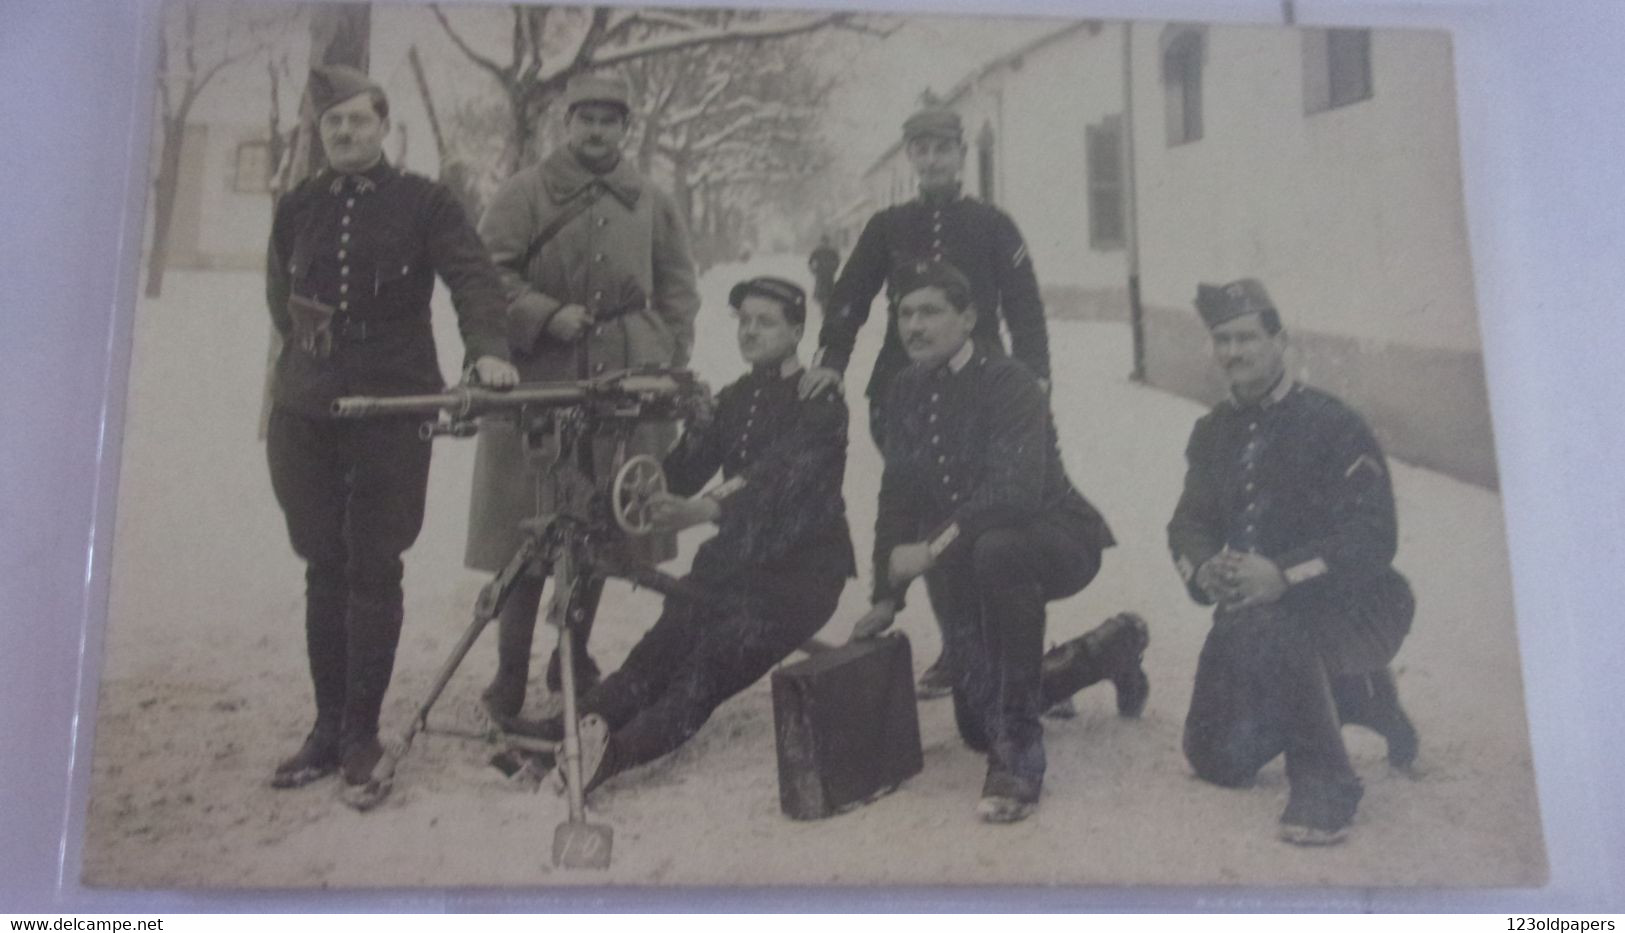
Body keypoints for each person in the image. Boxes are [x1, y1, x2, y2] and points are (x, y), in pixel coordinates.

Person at [262, 66, 519, 806]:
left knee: (374, 561)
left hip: (394, 404)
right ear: (321, 134)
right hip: (307, 411)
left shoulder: (425, 202)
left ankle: (361, 730)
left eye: (359, 122)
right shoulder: (298, 205)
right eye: (333, 125)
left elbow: (472, 278)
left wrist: (489, 349)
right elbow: (281, 296)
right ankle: (324, 727)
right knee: (322, 561)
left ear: (384, 128)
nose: (346, 135)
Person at [497, 277, 855, 797]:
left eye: (767, 322)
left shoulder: (820, 404)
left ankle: (612, 756)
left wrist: (704, 509)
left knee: (705, 670)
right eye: (745, 321)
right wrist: (611, 503)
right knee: (656, 652)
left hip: (801, 577)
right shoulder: (735, 398)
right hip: (733, 567)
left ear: (798, 330)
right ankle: (565, 732)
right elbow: (681, 471)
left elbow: (780, 482)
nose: (751, 332)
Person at [850, 260, 1142, 825]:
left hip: (1054, 537)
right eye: (904, 313)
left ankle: (1021, 756)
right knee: (974, 724)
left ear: (968, 318)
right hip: (966, 551)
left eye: (930, 311)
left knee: (998, 548)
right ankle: (1112, 647)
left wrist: (931, 551)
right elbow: (898, 497)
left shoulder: (1008, 382)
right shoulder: (905, 389)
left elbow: (1012, 494)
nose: (914, 326)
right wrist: (887, 595)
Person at [466, 72, 701, 720]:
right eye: (585, 118)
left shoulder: (650, 199)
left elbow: (679, 281)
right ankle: (508, 672)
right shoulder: (525, 193)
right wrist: (541, 313)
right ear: (564, 125)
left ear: (625, 129)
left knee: (601, 517)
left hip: (624, 373)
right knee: (529, 521)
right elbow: (485, 274)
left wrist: (668, 346)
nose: (596, 130)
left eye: (609, 119)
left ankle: (570, 652)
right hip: (539, 374)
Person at [799, 105, 1052, 698]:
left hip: (985, 389)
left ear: (961, 153)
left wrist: (1036, 378)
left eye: (943, 148)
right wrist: (831, 362)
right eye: (922, 150)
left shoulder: (994, 225)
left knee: (997, 516)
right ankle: (958, 648)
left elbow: (1026, 307)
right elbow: (849, 298)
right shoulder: (886, 226)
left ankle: (1017, 649)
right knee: (929, 516)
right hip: (903, 390)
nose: (933, 159)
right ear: (910, 158)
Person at [1168, 278, 1419, 846]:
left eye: (1246, 339)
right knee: (1214, 758)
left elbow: (1374, 536)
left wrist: (1284, 574)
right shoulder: (1212, 433)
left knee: (1274, 623)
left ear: (1281, 340)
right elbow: (1188, 523)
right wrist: (1203, 566)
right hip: (1255, 617)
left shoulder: (1333, 424)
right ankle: (1352, 698)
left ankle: (1327, 781)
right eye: (1221, 341)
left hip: (1355, 605)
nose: (1231, 353)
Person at [807, 235, 839, 312]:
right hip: (825, 273)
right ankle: (826, 307)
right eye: (824, 241)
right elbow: (837, 261)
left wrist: (813, 271)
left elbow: (810, 262)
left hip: (824, 273)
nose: (824, 243)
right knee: (825, 291)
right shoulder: (829, 250)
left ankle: (826, 307)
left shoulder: (821, 250)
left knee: (824, 291)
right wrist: (834, 269)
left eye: (825, 241)